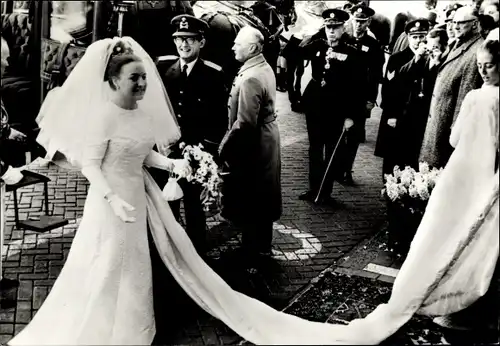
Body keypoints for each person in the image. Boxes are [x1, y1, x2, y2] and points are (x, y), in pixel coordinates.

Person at [6, 38, 498, 346]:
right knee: (105, 262)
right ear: (111, 80)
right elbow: (92, 164)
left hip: (140, 199)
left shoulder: (135, 114)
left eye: (141, 78)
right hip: (112, 203)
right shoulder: (102, 115)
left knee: (135, 266)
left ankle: (134, 327)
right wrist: (113, 198)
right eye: (135, 79)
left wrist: (173, 160)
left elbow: (142, 153)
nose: (142, 86)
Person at [152, 15, 228, 256]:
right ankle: (170, 252)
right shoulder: (163, 68)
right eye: (179, 39)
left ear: (201, 43)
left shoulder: (214, 75)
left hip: (196, 154)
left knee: (194, 207)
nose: (184, 45)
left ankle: (197, 254)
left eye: (190, 40)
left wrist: (204, 152)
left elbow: (219, 120)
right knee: (168, 204)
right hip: (167, 153)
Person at [218, 26, 282, 264]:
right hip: (265, 139)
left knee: (253, 194)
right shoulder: (262, 67)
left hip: (254, 144)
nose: (233, 47)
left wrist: (223, 148)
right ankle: (260, 247)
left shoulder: (251, 77)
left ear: (253, 48)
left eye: (237, 43)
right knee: (263, 193)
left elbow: (244, 123)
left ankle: (254, 249)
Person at [298, 8, 365, 204]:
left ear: (343, 28)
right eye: (328, 27)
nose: (331, 31)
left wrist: (352, 116)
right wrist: (304, 34)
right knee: (314, 149)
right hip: (315, 106)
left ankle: (325, 192)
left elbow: (358, 87)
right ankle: (313, 189)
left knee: (332, 151)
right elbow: (294, 53)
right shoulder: (317, 45)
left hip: (337, 109)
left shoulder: (352, 53)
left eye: (335, 27)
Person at [419, 6, 484, 168]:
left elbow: (465, 98)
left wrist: (454, 135)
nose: (455, 26)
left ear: (475, 24)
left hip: (446, 131)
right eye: (454, 22)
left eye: (461, 23)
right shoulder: (457, 44)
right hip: (438, 123)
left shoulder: (476, 51)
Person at [375, 19, 430, 178]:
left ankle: (406, 191)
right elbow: (390, 88)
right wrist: (391, 114)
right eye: (415, 37)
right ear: (408, 37)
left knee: (411, 155)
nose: (419, 41)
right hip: (398, 113)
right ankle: (389, 187)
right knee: (392, 154)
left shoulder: (429, 58)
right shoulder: (397, 58)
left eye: (422, 37)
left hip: (417, 113)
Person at [389, 28, 448, 171]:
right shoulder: (422, 58)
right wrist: (417, 59)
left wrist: (437, 64)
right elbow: (401, 76)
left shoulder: (443, 63)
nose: (430, 50)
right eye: (429, 45)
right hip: (411, 115)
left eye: (435, 47)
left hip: (429, 117)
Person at [340, 3, 384, 185]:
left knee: (355, 136)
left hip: (359, 98)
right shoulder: (343, 39)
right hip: (341, 96)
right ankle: (337, 167)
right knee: (339, 133)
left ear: (369, 22)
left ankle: (347, 170)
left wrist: (371, 99)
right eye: (356, 20)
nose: (358, 24)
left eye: (362, 21)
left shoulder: (373, 45)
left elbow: (375, 74)